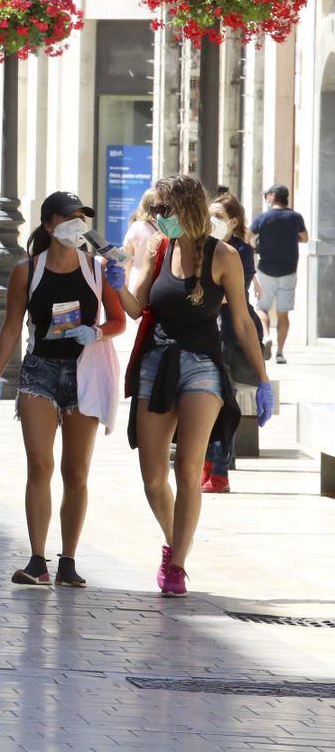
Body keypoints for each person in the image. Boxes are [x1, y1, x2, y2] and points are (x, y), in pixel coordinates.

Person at [114, 174, 272, 598]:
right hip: (157, 362)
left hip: (202, 364)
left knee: (187, 466)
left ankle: (177, 564)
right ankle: (175, 540)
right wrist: (116, 283)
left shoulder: (223, 256)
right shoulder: (157, 246)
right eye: (155, 210)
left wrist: (262, 378)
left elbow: (242, 321)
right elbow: (135, 308)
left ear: (185, 208)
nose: (157, 217)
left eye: (163, 209)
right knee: (152, 477)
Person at [0, 191, 127, 588]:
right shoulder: (27, 270)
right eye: (68, 217)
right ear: (49, 224)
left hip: (84, 372)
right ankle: (36, 560)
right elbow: (11, 327)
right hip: (39, 372)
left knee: (76, 471)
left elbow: (118, 320)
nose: (77, 224)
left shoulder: (97, 269)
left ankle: (69, 561)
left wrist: (96, 332)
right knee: (39, 464)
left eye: (82, 217)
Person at [203, 194, 263, 494]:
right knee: (209, 405)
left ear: (233, 221)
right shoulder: (203, 247)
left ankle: (219, 472)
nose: (212, 220)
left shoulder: (240, 250)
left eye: (218, 215)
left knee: (224, 405)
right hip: (206, 335)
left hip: (233, 334)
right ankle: (209, 467)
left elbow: (232, 295)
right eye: (209, 214)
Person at [249, 183, 306, 365]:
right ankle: (280, 353)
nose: (266, 198)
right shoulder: (295, 217)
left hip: (266, 270)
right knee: (283, 313)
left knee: (262, 308)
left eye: (267, 195)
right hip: (289, 271)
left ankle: (266, 336)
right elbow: (305, 237)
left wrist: (255, 246)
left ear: (273, 196)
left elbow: (247, 235)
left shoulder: (263, 218)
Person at [122, 189, 159, 288]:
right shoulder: (167, 227)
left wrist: (125, 282)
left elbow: (127, 259)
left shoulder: (136, 227)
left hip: (136, 280)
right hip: (158, 281)